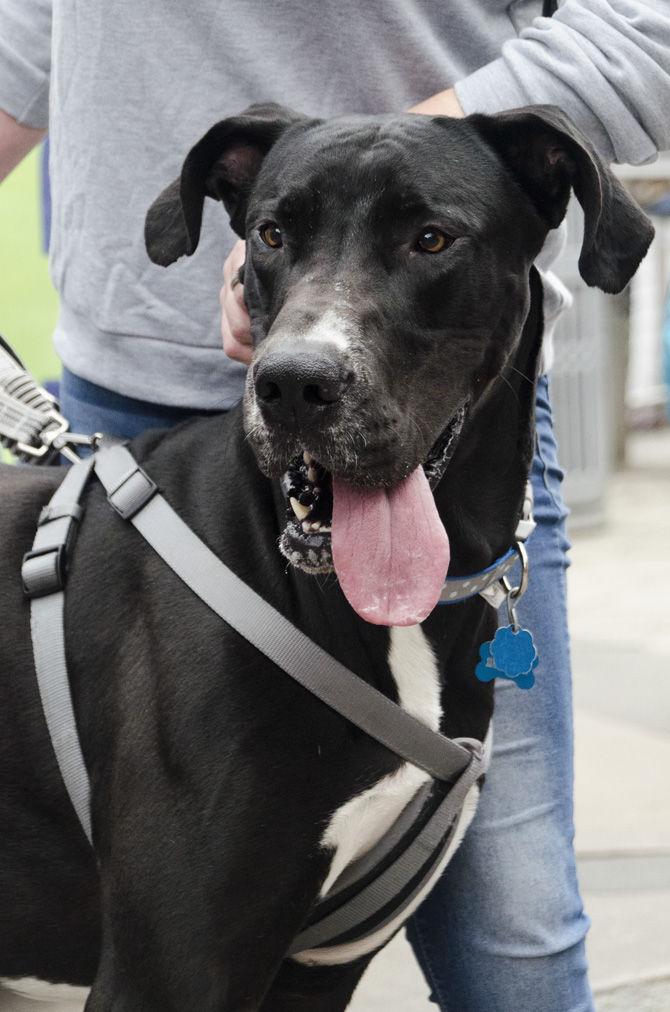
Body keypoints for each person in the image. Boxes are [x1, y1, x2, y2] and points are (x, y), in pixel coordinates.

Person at [1, 2, 669, 1009]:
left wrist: (423, 150)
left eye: (429, 237)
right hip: (134, 416)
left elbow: (645, 26)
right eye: (273, 234)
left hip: (462, 423)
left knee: (514, 948)